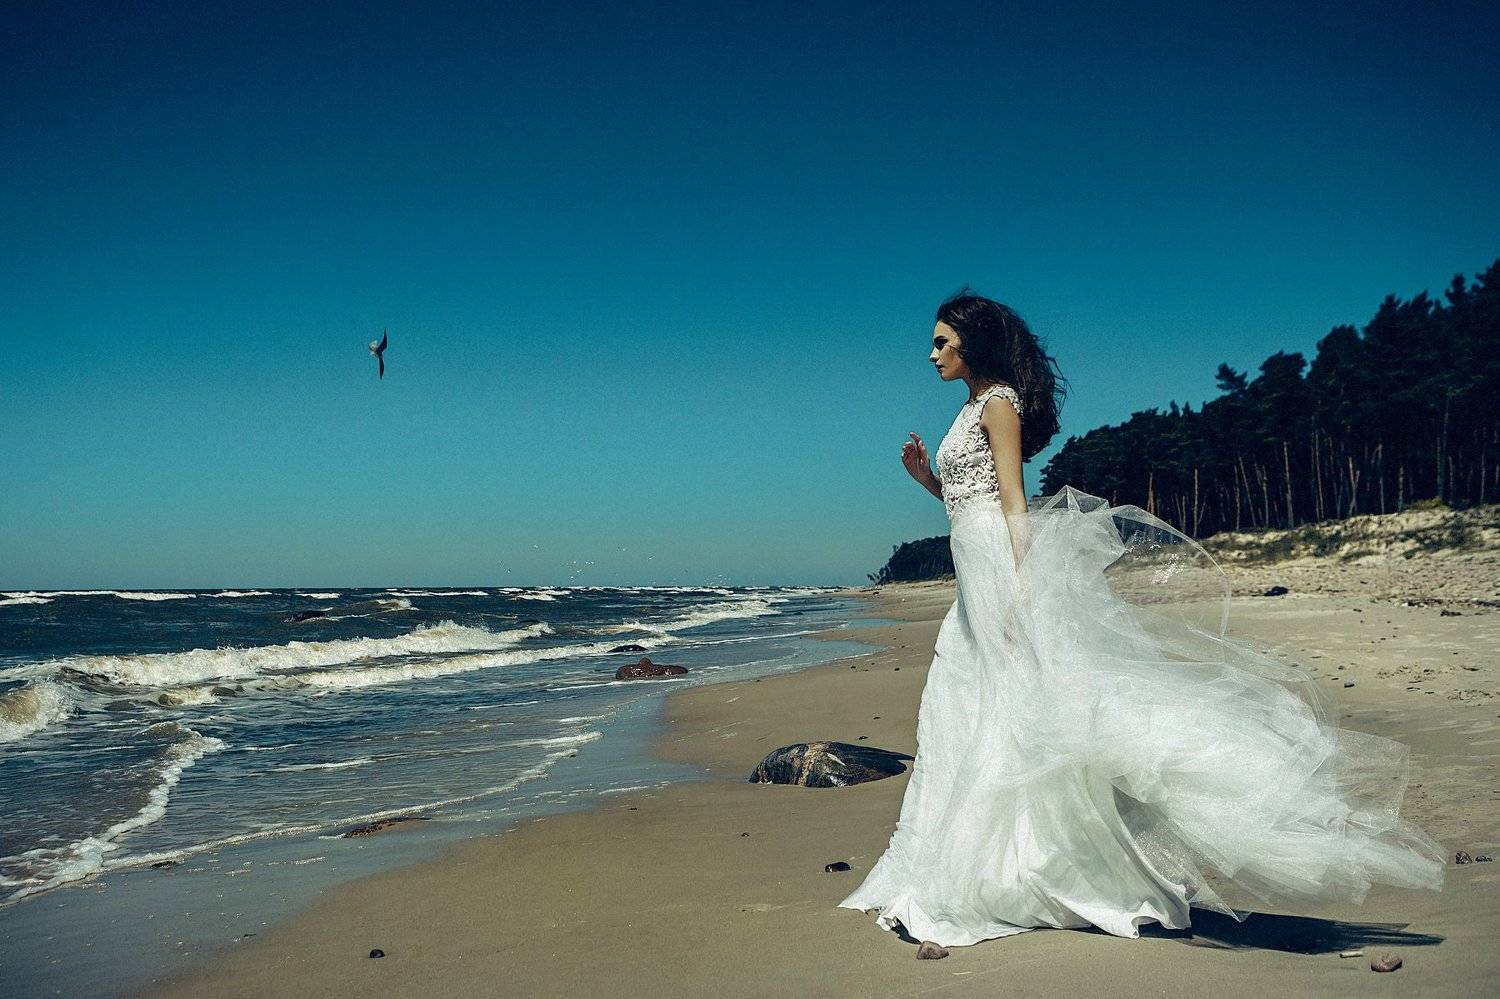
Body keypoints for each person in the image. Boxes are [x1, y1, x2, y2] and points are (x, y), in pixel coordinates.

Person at [836, 289, 1446, 958]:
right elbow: (964, 500)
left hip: (995, 570)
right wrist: (925, 476)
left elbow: (1012, 502)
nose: (931, 355)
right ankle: (957, 856)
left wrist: (1018, 591)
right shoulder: (967, 408)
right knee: (961, 705)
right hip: (971, 567)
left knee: (1008, 705)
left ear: (973, 344)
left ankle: (1013, 866)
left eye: (941, 343)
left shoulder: (999, 403)